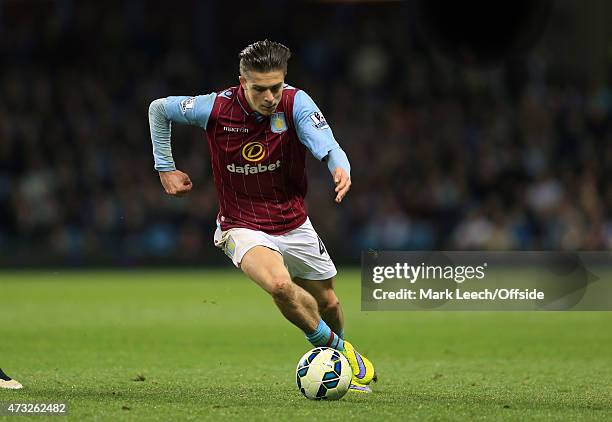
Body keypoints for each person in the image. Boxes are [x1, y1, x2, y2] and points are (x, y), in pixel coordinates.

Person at [148, 40, 376, 393]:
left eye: (276, 86)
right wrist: (165, 167)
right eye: (259, 89)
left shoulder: (296, 102)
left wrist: (339, 167)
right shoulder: (216, 107)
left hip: (294, 222)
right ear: (242, 82)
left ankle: (336, 356)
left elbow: (327, 144)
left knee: (328, 301)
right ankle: (340, 352)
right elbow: (159, 109)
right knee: (281, 285)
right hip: (242, 225)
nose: (270, 97)